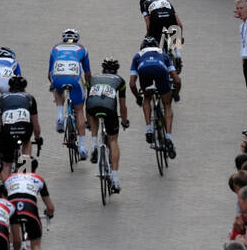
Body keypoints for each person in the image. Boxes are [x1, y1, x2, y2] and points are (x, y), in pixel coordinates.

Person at [85, 57, 129, 193]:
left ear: (102, 70)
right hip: (109, 109)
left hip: (92, 107)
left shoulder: (92, 79)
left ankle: (94, 145)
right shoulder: (120, 81)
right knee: (113, 139)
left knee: (92, 112)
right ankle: (115, 179)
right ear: (116, 71)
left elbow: (89, 100)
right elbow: (122, 106)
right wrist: (124, 121)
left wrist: (88, 122)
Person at [129, 37, 179, 155]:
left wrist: (138, 97)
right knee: (167, 105)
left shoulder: (138, 55)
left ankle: (149, 130)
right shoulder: (163, 54)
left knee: (147, 98)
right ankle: (168, 137)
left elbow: (132, 84)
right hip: (160, 70)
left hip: (144, 71)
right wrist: (175, 95)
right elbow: (177, 79)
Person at [48, 29, 91, 160]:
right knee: (79, 110)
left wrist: (54, 84)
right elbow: (87, 73)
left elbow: (49, 74)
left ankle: (60, 115)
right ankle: (82, 147)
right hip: (74, 79)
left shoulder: (55, 48)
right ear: (77, 39)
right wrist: (89, 86)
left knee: (58, 89)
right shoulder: (82, 48)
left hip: (58, 77)